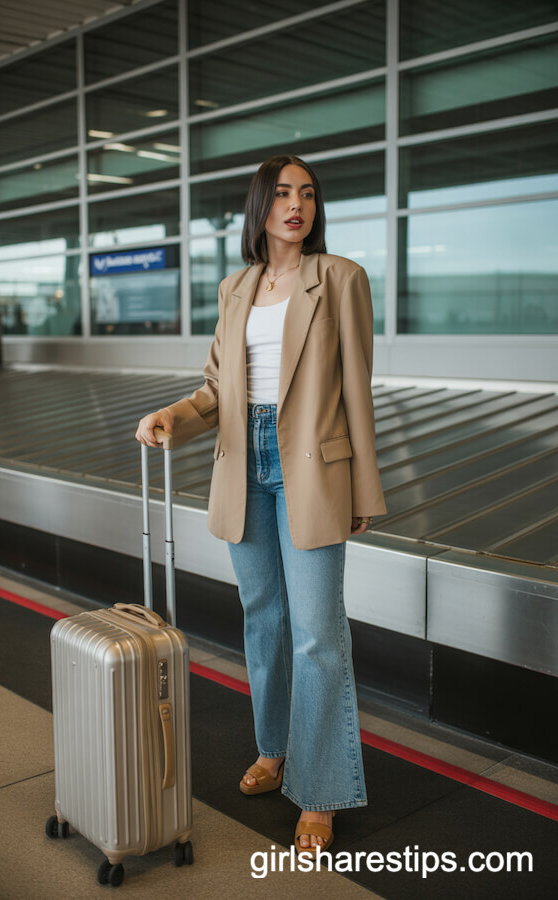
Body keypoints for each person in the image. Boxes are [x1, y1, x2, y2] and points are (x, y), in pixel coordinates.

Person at [136, 154, 387, 856]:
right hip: (243, 462)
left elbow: (358, 387)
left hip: (313, 466)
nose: (296, 205)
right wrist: (173, 416)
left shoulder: (340, 278)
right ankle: (274, 749)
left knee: (317, 634)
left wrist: (365, 486)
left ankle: (321, 791)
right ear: (260, 206)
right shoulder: (237, 286)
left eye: (306, 194)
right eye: (281, 194)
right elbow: (218, 388)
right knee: (264, 620)